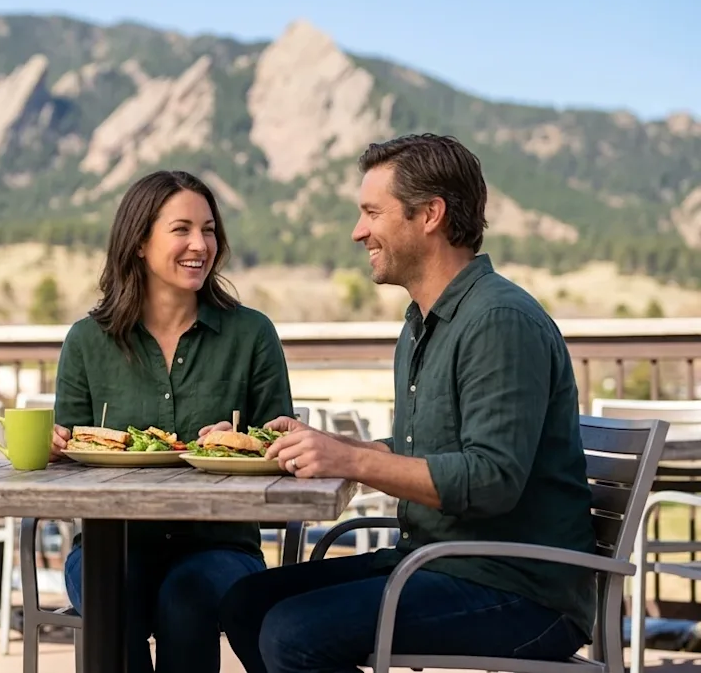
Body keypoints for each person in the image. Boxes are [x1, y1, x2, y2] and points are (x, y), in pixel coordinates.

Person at [210, 134, 598, 673]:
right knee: (247, 604)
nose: (358, 231)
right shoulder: (423, 323)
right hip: (438, 562)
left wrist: (352, 462)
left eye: (372, 212)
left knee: (294, 633)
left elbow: (490, 480)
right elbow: (431, 450)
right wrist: (335, 446)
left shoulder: (499, 322)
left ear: (430, 215)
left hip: (519, 589)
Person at [49, 169, 296, 673]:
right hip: (108, 544)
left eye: (208, 230)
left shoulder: (252, 334)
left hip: (221, 545)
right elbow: (70, 455)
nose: (200, 244)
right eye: (181, 229)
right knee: (113, 596)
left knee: (186, 599)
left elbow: (284, 443)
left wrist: (246, 441)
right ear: (139, 241)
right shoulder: (86, 343)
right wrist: (54, 448)